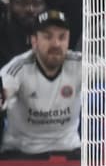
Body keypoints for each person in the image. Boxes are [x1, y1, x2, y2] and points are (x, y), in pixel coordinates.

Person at [0, 9, 81, 158]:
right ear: (34, 41)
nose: (56, 44)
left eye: (62, 37)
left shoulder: (79, 64)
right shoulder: (19, 68)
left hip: (69, 151)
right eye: (48, 37)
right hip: (21, 153)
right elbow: (4, 90)